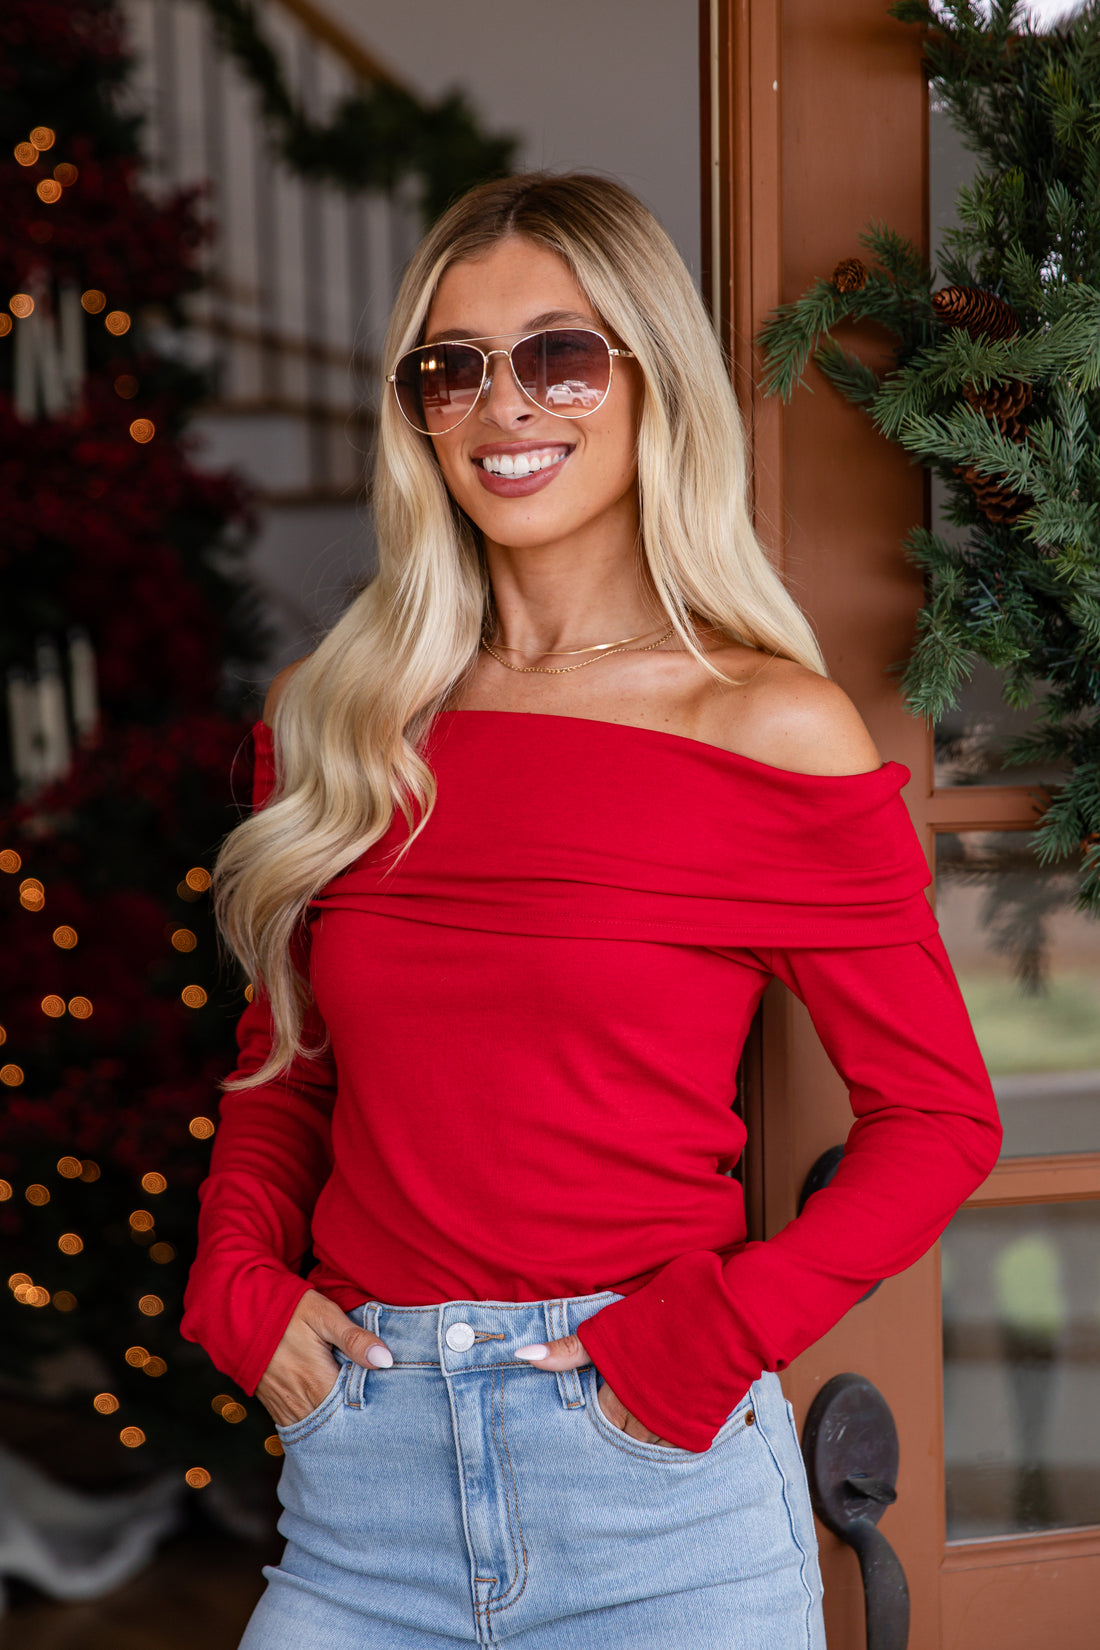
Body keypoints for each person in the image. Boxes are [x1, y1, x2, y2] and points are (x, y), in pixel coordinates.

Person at [181, 171, 1002, 1649]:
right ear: (416, 410)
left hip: (656, 1497)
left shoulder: (767, 727)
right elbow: (286, 1063)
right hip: (360, 1491)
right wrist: (235, 1281)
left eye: (560, 356)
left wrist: (706, 1337)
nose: (506, 407)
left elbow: (939, 1118)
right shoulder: (339, 716)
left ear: (652, 382)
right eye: (454, 366)